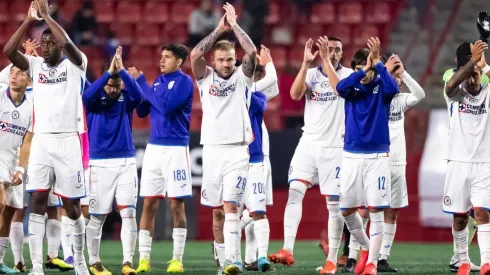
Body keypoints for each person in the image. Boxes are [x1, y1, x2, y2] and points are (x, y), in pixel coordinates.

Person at [3, 0, 90, 274]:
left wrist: (48, 18)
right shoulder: (35, 66)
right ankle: (37, 267)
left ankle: (81, 261)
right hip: (42, 141)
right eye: (44, 42)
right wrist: (30, 21)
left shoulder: (77, 65)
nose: (46, 45)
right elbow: (8, 51)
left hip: (68, 141)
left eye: (51, 42)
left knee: (72, 207)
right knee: (37, 203)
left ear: (61, 44)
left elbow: (69, 47)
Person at [268, 36, 353, 275]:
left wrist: (326, 60)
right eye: (329, 49)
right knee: (294, 192)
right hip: (308, 143)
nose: (333, 53)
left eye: (337, 49)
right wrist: (306, 64)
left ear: (342, 52)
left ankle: (333, 260)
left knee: (334, 205)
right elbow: (295, 95)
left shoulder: (347, 75)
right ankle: (287, 249)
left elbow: (340, 91)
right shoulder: (312, 74)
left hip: (335, 147)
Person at [190, 2, 257, 274]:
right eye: (222, 60)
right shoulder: (205, 79)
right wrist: (219, 29)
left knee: (231, 206)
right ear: (214, 62)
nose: (227, 64)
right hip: (212, 150)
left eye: (231, 59)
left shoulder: (243, 78)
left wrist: (235, 24)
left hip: (238, 150)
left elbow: (252, 51)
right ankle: (222, 259)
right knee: (217, 211)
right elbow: (195, 53)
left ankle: (233, 261)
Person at [335, 37, 399, 275]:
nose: (366, 70)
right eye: (362, 66)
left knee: (375, 210)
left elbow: (394, 89)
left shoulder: (382, 86)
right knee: (346, 211)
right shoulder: (351, 88)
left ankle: (371, 263)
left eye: (369, 66)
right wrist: (364, 68)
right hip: (351, 155)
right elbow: (339, 88)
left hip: (377, 156)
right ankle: (365, 247)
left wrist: (378, 65)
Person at [132, 43, 194, 274]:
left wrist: (142, 83)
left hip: (176, 149)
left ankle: (177, 258)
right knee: (148, 203)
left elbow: (166, 107)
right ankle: (144, 259)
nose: (162, 60)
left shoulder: (184, 82)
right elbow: (142, 111)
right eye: (161, 57)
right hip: (154, 149)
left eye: (167, 57)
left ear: (179, 61)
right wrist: (138, 89)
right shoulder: (158, 81)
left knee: (176, 204)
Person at [82, 46, 142, 275]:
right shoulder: (94, 99)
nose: (115, 90)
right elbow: (86, 96)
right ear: (104, 82)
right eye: (111, 86)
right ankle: (95, 262)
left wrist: (122, 71)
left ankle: (128, 262)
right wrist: (109, 72)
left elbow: (139, 95)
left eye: (118, 86)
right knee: (97, 217)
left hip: (125, 162)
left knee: (128, 213)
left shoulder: (127, 98)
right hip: (99, 165)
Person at [443, 39, 490, 275]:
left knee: (482, 212)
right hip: (457, 160)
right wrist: (473, 62)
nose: (473, 80)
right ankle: (462, 261)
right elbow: (450, 85)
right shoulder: (456, 94)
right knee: (459, 216)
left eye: (477, 75)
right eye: (469, 75)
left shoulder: (488, 93)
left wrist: (484, 65)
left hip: (484, 163)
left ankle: (485, 263)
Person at [378, 53, 425, 272]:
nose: (398, 80)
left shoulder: (401, 100)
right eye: (394, 75)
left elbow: (420, 94)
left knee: (393, 211)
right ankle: (358, 254)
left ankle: (382, 258)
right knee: (369, 210)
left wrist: (403, 73)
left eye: (399, 77)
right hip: (376, 160)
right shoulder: (376, 97)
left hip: (397, 163)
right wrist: (386, 73)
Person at [234, 45, 278, 272]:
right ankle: (231, 251)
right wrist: (268, 62)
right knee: (240, 210)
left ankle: (257, 258)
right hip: (237, 158)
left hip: (256, 157)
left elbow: (274, 87)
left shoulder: (250, 92)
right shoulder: (245, 92)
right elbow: (272, 80)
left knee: (255, 210)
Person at [0, 65, 34, 274]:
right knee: (0, 202)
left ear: (29, 81)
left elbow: (27, 142)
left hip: (14, 161)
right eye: (13, 72)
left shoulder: (31, 108)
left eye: (20, 73)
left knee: (11, 211)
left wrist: (21, 169)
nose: (14, 76)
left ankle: (0, 261)